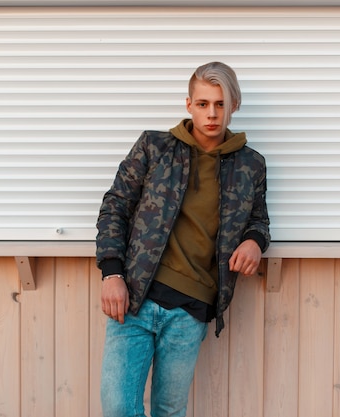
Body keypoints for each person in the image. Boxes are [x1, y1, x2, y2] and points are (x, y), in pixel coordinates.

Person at [95, 61, 270, 417]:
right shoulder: (154, 147)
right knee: (117, 407)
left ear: (234, 105)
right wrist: (111, 273)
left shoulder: (251, 165)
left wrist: (254, 241)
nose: (212, 114)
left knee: (169, 411)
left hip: (191, 310)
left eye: (220, 104)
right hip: (135, 299)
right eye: (204, 103)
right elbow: (115, 206)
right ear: (189, 104)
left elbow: (259, 220)